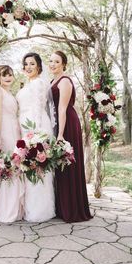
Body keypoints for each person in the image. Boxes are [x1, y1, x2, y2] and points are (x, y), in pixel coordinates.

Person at [49, 50, 92, 222]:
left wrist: (60, 133)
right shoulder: (53, 80)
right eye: (51, 61)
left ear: (63, 64)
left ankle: (72, 208)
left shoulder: (65, 81)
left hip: (66, 125)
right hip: (58, 122)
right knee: (60, 166)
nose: (52, 64)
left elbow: (62, 108)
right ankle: (62, 206)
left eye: (56, 62)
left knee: (68, 164)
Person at [16, 52, 55, 222]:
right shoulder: (28, 83)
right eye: (26, 64)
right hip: (26, 127)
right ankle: (29, 206)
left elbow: (39, 108)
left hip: (35, 128)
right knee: (28, 166)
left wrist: (37, 137)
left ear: (39, 66)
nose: (28, 67)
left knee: (37, 166)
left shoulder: (39, 83)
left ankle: (40, 210)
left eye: (32, 64)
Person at [0, 65, 24, 223]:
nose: (8, 77)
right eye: (4, 75)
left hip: (14, 130)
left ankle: (16, 206)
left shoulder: (10, 93)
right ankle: (6, 207)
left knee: (16, 166)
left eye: (10, 75)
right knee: (8, 167)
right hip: (4, 131)